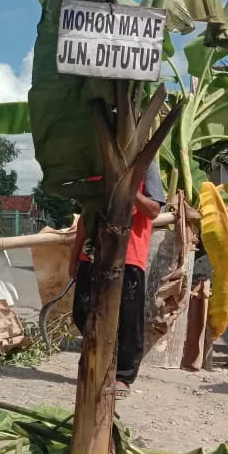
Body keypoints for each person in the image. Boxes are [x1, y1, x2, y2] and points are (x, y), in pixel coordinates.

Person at [68, 162, 165, 399]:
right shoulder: (96, 162)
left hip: (129, 255)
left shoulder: (146, 165)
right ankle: (98, 361)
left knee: (128, 320)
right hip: (92, 253)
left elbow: (153, 210)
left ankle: (123, 375)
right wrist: (75, 255)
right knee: (82, 312)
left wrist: (129, 188)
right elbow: (85, 217)